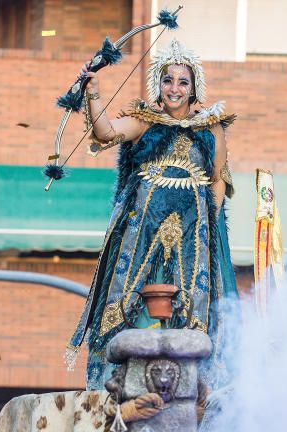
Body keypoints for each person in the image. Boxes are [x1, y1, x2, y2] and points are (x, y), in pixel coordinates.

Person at [66, 39, 239, 390]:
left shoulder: (211, 128)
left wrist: (210, 220)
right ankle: (120, 380)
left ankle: (194, 386)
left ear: (194, 89)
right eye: (168, 80)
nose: (174, 88)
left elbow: (219, 177)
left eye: (182, 82)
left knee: (191, 310)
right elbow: (106, 132)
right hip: (142, 231)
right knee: (132, 300)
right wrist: (94, 93)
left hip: (193, 235)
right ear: (157, 84)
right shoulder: (143, 121)